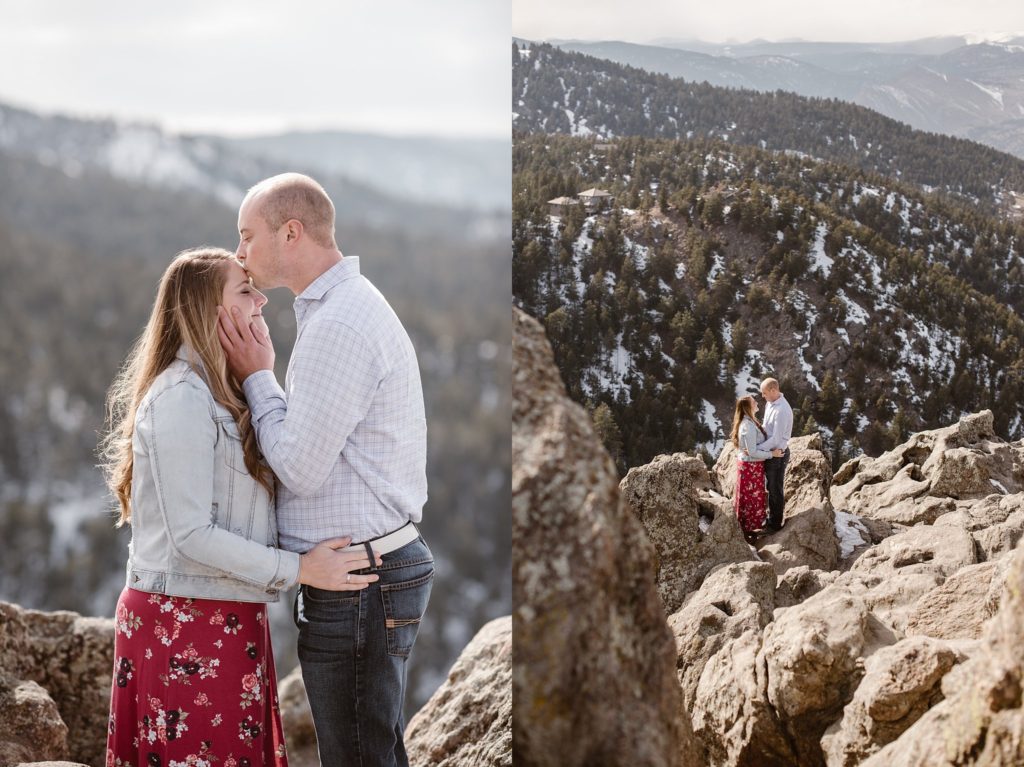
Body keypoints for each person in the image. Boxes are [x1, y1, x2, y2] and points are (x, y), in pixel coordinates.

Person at [99, 248, 381, 767]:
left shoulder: (219, 392)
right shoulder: (181, 397)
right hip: (181, 622)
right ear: (210, 310)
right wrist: (302, 569)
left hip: (223, 616)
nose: (261, 299)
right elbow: (191, 535)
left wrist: (262, 374)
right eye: (245, 289)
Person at [217, 173, 433, 767]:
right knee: (371, 751)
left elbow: (298, 468)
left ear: (292, 233)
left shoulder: (337, 323)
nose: (240, 252)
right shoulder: (341, 308)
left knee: (358, 757)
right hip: (363, 569)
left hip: (360, 578)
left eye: (247, 235)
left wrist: (258, 374)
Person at [730, 396, 783, 537]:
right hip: (750, 467)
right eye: (754, 402)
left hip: (751, 466)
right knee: (750, 498)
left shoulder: (750, 422)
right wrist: (772, 454)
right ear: (748, 407)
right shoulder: (747, 426)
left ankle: (749, 528)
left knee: (751, 497)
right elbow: (752, 451)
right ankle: (747, 530)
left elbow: (752, 448)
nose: (757, 402)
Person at [756, 377, 794, 531]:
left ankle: (775, 524)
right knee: (769, 486)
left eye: (764, 393)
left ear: (773, 390)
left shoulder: (782, 410)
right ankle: (770, 518)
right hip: (769, 451)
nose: (763, 396)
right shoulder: (770, 403)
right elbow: (766, 427)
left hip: (777, 454)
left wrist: (758, 447)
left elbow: (777, 438)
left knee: (775, 489)